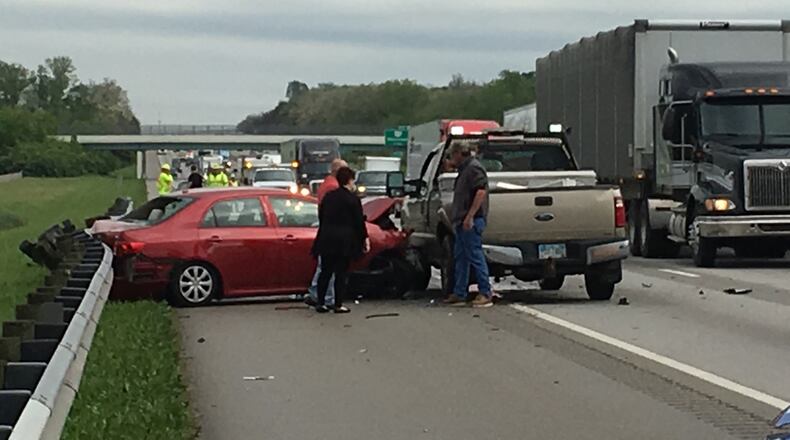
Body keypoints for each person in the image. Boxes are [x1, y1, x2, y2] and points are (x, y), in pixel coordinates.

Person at [311, 167, 370, 313]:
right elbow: (358, 222)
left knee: (325, 272)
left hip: (326, 238)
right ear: (350, 180)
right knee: (341, 273)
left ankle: (320, 302)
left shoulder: (329, 197)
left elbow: (321, 216)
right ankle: (338, 304)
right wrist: (364, 238)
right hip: (344, 241)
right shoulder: (352, 199)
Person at [444, 141, 493, 308]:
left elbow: (480, 191)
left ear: (459, 153)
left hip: (471, 220)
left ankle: (485, 292)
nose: (451, 159)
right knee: (461, 257)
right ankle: (460, 292)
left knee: (475, 256)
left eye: (452, 155)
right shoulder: (464, 169)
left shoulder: (473, 168)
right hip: (462, 221)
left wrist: (470, 216)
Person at [305, 159, 348, 307]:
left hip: (326, 230)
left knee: (323, 267)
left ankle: (317, 294)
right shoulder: (333, 187)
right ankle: (324, 297)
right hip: (332, 231)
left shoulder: (326, 183)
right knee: (329, 269)